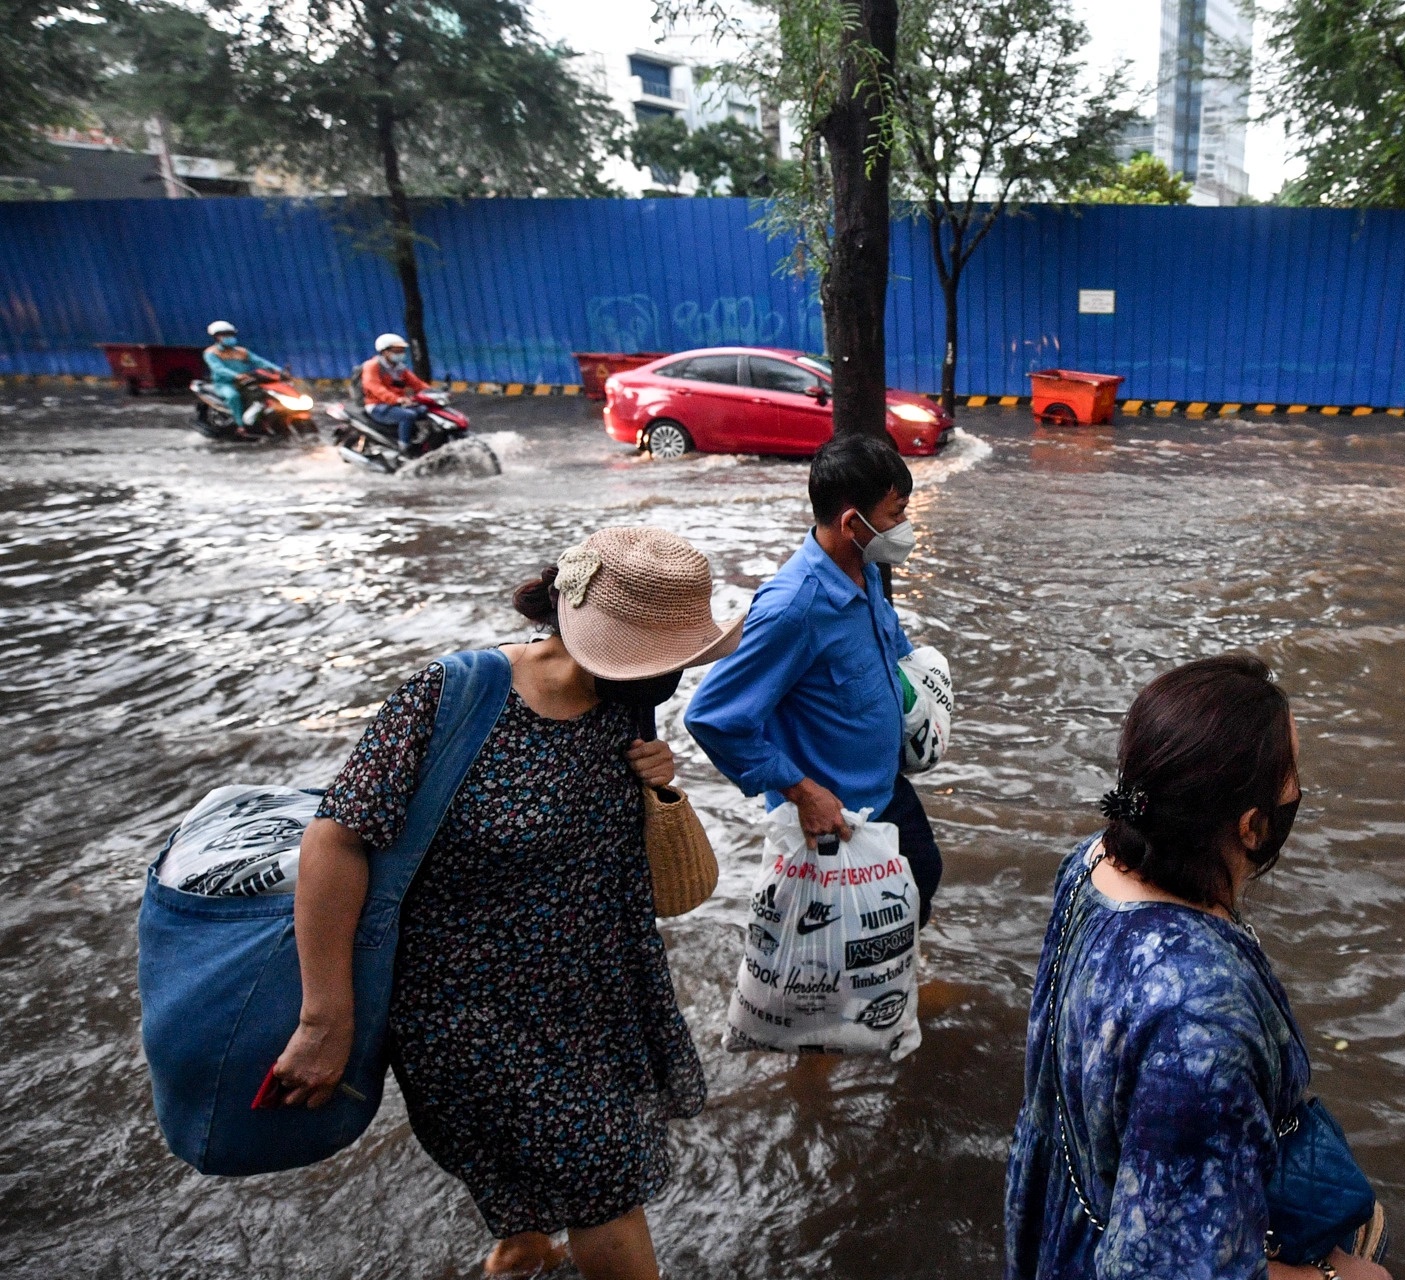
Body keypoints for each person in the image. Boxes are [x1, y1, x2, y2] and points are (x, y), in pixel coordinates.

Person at [269, 526, 743, 1280]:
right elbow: (336, 839)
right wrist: (325, 1017)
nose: (668, 675)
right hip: (468, 1015)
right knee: (605, 1180)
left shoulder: (625, 710)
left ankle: (520, 1253)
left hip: (594, 997)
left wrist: (659, 785)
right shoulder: (456, 697)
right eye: (648, 656)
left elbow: (661, 879)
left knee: (552, 1170)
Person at [1004, 654, 1392, 1280]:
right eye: (1292, 780)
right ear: (1253, 827)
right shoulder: (1200, 1021)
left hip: (1066, 1215)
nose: (1300, 791)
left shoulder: (1094, 863)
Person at [684, 433, 942, 925]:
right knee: (837, 961)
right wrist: (802, 792)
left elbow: (892, 656)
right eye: (896, 514)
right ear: (852, 523)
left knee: (919, 889)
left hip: (886, 792)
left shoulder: (864, 573)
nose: (904, 527)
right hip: (836, 822)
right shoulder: (792, 610)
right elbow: (712, 718)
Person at [202, 320, 283, 430]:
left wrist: (279, 370)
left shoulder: (241, 351)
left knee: (264, 394)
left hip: (246, 382)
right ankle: (240, 425)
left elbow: (260, 362)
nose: (229, 337)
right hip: (225, 384)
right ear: (217, 337)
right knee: (233, 396)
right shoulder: (211, 352)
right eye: (225, 335)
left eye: (230, 334)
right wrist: (235, 375)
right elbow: (218, 369)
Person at [361, 332, 430, 453]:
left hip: (396, 404)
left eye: (402, 351)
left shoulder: (400, 368)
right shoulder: (372, 366)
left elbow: (417, 384)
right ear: (384, 352)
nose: (400, 354)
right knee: (408, 415)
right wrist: (396, 399)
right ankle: (403, 447)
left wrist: (434, 393)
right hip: (378, 405)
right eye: (396, 351)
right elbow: (375, 387)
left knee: (425, 410)